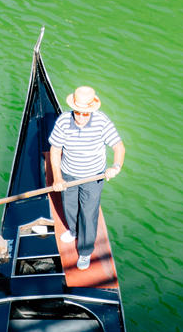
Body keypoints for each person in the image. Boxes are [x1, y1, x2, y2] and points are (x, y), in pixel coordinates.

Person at [49, 86, 126, 271]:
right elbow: (55, 150)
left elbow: (119, 148)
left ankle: (84, 251)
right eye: (77, 112)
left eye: (86, 113)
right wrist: (57, 177)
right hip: (68, 173)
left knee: (88, 214)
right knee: (69, 207)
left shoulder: (102, 122)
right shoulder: (63, 121)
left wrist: (115, 167)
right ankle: (74, 231)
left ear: (92, 110)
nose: (81, 117)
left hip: (93, 177)